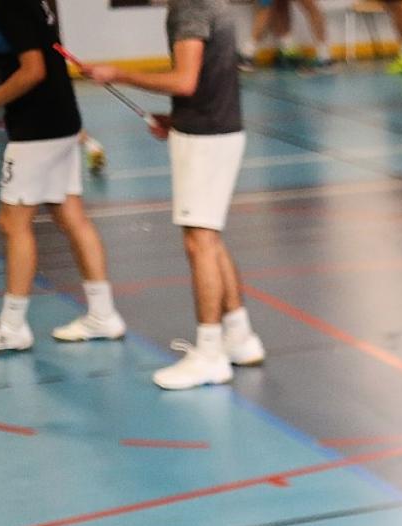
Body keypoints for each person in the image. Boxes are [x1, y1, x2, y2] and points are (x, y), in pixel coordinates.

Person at [85, 0, 269, 389]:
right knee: (209, 237)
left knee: (199, 242)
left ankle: (209, 355)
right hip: (211, 128)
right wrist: (178, 118)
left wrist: (118, 73)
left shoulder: (189, 7)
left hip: (207, 138)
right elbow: (206, 79)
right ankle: (239, 337)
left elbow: (185, 80)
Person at [0, 0, 124, 356]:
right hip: (62, 120)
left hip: (37, 128)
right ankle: (103, 314)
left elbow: (33, 70)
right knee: (70, 215)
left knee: (13, 223)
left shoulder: (12, 5)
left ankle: (12, 328)